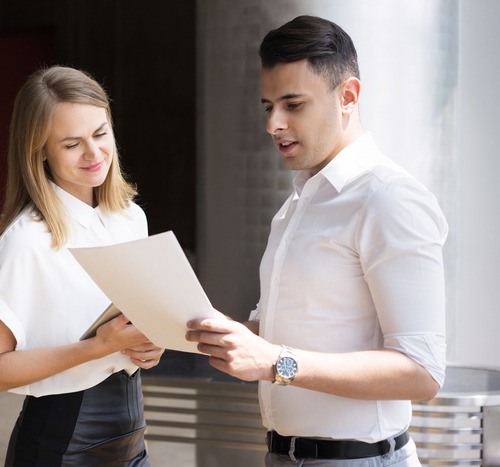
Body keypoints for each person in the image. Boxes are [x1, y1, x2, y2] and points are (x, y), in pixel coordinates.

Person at [185, 15, 447, 466]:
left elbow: (422, 372)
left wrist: (274, 364)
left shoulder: (389, 200)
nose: (274, 124)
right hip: (283, 457)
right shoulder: (295, 206)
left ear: (347, 96)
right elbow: (283, 334)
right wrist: (200, 331)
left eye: (293, 104)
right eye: (268, 106)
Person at [0, 65, 164, 466]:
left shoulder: (131, 218)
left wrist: (149, 346)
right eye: (72, 144)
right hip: (61, 443)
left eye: (100, 133)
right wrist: (96, 348)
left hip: (131, 434)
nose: (94, 154)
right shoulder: (25, 241)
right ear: (40, 150)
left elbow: (134, 325)